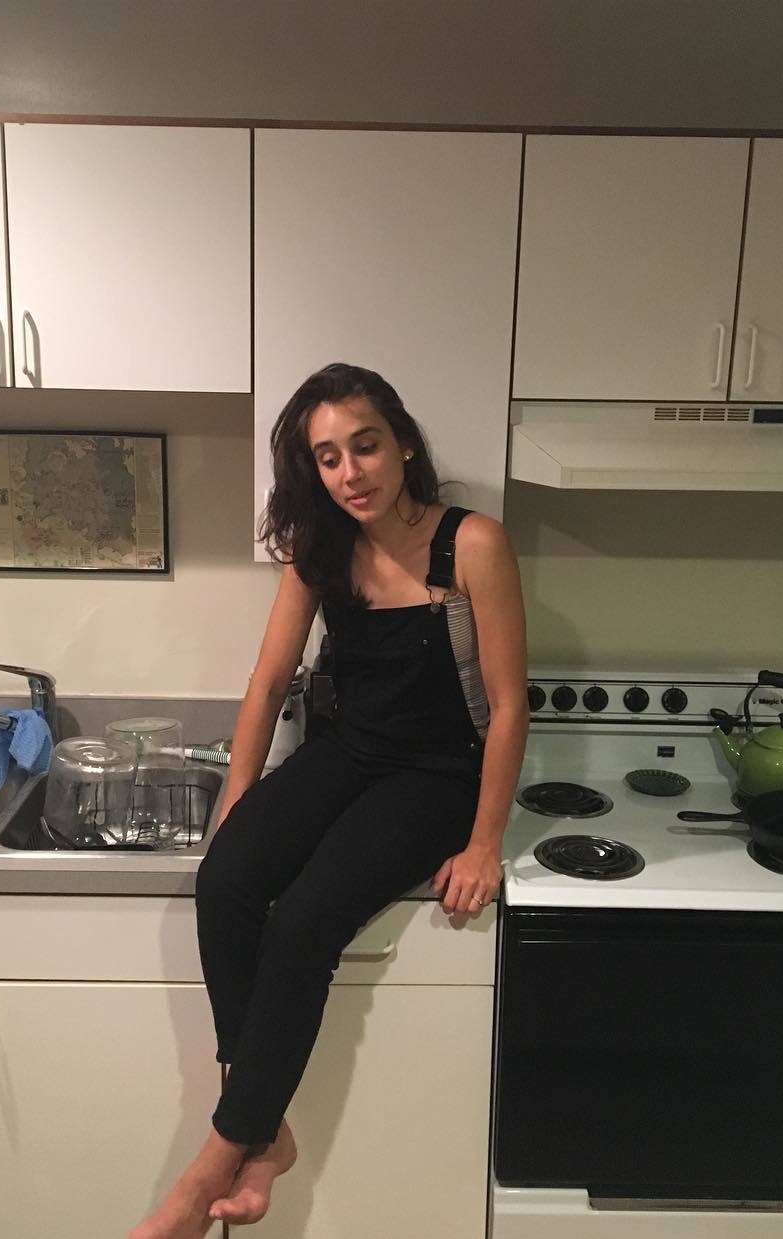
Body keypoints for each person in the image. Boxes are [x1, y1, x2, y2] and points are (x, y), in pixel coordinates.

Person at [130, 362, 528, 1239]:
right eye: (328, 457)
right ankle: (266, 1132)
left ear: (404, 443)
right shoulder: (322, 547)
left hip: (437, 773)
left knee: (306, 918)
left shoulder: (472, 543)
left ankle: (213, 1165)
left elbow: (507, 706)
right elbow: (269, 680)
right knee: (226, 878)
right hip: (344, 753)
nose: (351, 472)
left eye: (366, 445)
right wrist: (237, 799)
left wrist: (484, 841)